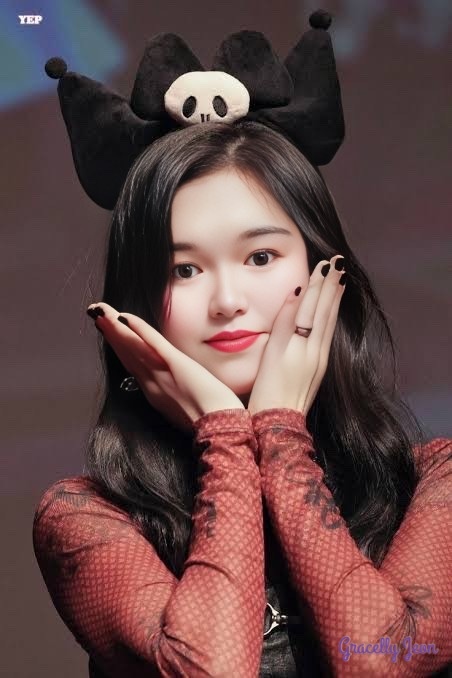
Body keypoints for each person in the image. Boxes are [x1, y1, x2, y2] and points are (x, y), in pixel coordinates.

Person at [33, 13, 452, 678]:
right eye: (184, 269)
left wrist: (279, 432)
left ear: (325, 270)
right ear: (135, 304)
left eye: (260, 257)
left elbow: (381, 662)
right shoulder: (86, 516)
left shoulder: (437, 481)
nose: (227, 300)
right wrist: (226, 434)